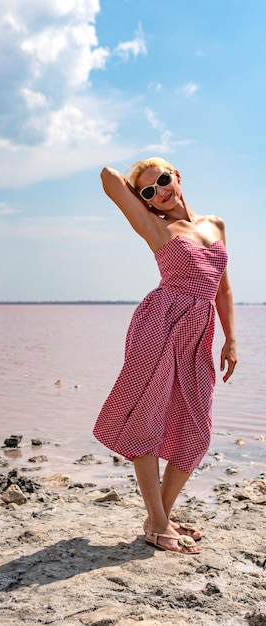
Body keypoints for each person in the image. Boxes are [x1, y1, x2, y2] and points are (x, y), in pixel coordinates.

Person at [93, 156, 237, 555]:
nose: (161, 192)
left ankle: (160, 517)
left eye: (164, 181)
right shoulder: (156, 226)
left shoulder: (215, 224)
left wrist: (231, 339)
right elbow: (108, 177)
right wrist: (140, 190)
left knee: (196, 430)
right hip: (158, 326)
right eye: (150, 192)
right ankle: (158, 523)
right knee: (146, 419)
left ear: (178, 175)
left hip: (198, 332)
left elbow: (222, 290)